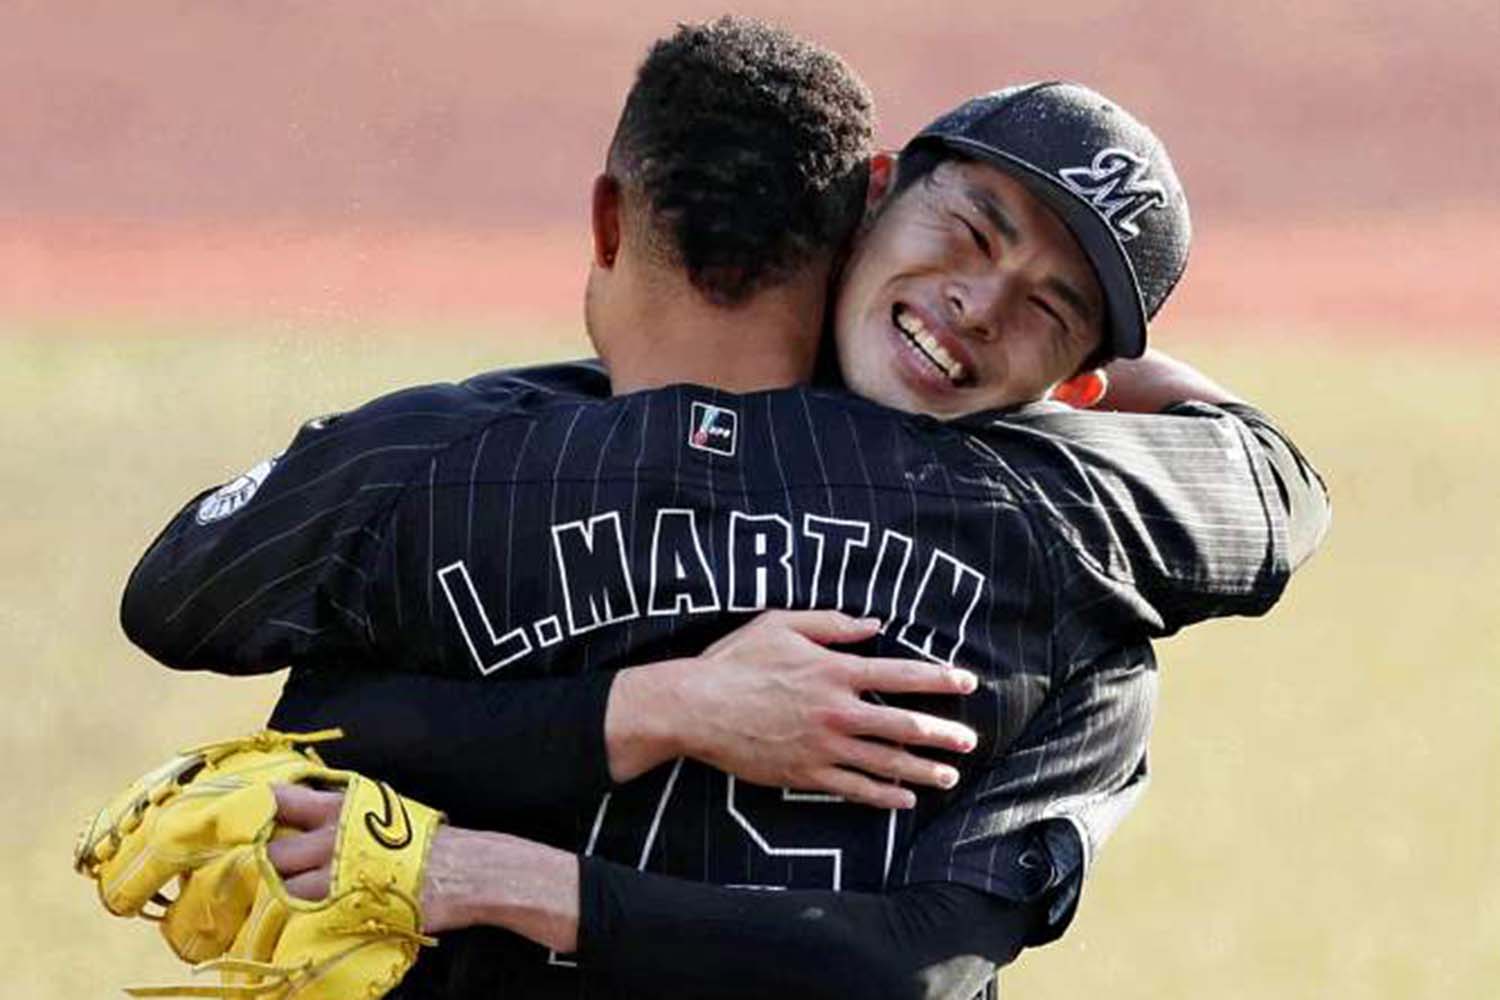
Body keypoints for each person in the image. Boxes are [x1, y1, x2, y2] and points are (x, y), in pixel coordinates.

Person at [118, 18, 1328, 1000]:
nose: (974, 304)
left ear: (1071, 381)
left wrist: (485, 856)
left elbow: (270, 685)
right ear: (871, 202)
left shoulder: (472, 462)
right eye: (970, 231)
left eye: (1047, 308)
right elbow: (1277, 486)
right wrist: (667, 706)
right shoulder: (1080, 551)